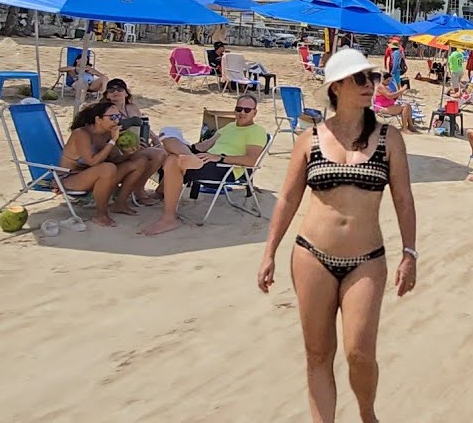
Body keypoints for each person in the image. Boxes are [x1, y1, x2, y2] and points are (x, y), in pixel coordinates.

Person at [258, 49, 417, 423]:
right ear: (337, 87)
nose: (370, 85)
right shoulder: (310, 138)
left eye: (372, 78)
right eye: (360, 79)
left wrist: (410, 253)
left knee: (359, 352)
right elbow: (286, 199)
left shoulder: (388, 138)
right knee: (317, 353)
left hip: (367, 259)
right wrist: (269, 253)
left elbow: (404, 199)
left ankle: (366, 412)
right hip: (311, 255)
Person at [148, 93, 268, 236]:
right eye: (239, 108)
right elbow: (206, 145)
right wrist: (186, 147)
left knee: (174, 160)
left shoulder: (257, 131)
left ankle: (169, 217)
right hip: (204, 158)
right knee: (167, 134)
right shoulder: (230, 126)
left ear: (255, 112)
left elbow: (250, 160)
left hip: (223, 168)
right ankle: (190, 160)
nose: (242, 112)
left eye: (247, 110)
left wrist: (220, 157)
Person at [60, 101, 152, 227]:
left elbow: (115, 159)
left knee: (140, 161)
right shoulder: (81, 134)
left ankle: (119, 203)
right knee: (107, 168)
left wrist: (128, 153)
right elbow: (93, 162)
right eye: (113, 117)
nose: (117, 121)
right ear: (98, 119)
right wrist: (113, 141)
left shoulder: (106, 134)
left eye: (119, 116)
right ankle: (100, 214)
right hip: (70, 178)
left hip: (97, 175)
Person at [104, 79, 168, 203]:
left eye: (120, 89)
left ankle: (155, 189)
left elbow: (144, 125)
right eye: (111, 89)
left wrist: (155, 139)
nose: (115, 91)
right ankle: (138, 189)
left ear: (126, 93)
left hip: (138, 144)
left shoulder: (132, 107)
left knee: (166, 152)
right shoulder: (107, 111)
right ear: (107, 94)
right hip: (119, 148)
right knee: (160, 154)